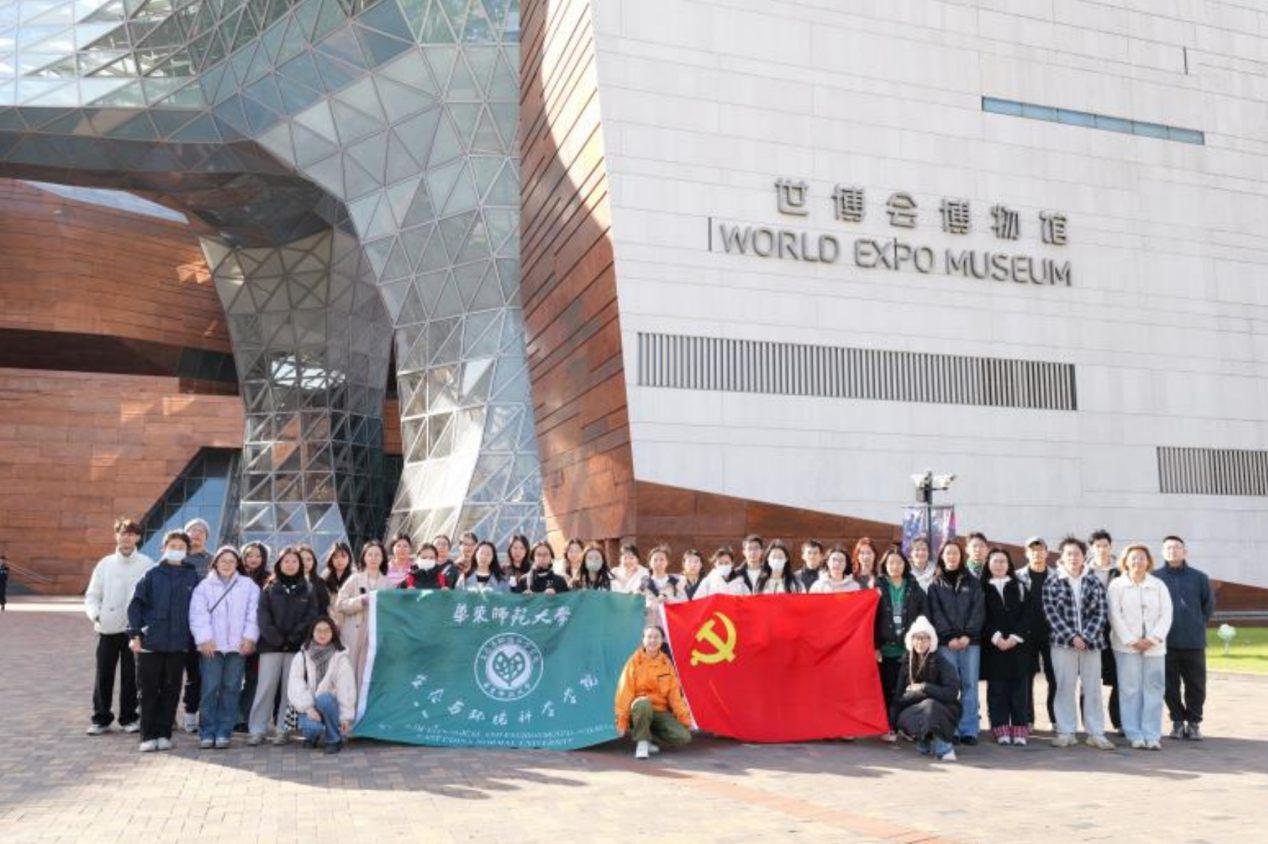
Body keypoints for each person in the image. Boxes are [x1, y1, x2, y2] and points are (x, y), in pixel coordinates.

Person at [126, 530, 199, 752]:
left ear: (187, 551)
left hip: (179, 644)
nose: (176, 550)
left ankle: (164, 734)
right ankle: (147, 736)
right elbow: (135, 605)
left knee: (171, 690)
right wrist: (135, 634)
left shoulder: (192, 576)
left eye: (181, 547)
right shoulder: (152, 574)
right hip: (151, 642)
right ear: (163, 549)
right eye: (172, 546)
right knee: (148, 690)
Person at [84, 518, 156, 736]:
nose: (126, 538)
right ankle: (101, 719)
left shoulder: (147, 564)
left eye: (131, 534)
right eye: (123, 533)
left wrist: (145, 624)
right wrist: (96, 615)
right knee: (103, 675)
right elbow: (92, 595)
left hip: (135, 631)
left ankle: (129, 718)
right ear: (116, 536)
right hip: (107, 629)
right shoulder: (105, 564)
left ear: (138, 537)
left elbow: (153, 598)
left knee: (131, 676)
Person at [1043, 536, 1114, 750]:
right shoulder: (1052, 581)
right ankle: (1066, 732)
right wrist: (1072, 637)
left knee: (1092, 689)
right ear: (1062, 557)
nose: (1073, 557)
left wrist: (1086, 637)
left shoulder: (1093, 581)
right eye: (1069, 554)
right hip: (1062, 643)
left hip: (1092, 644)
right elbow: (1051, 613)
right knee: (1064, 687)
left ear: (1084, 556)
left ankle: (1095, 732)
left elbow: (1101, 611)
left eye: (1077, 553)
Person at [189, 546, 260, 750]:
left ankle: (224, 731)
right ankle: (207, 731)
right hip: (212, 647)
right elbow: (197, 614)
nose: (227, 564)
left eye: (231, 561)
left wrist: (249, 638)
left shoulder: (248, 585)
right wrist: (204, 639)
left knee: (231, 688)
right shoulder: (204, 586)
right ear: (215, 563)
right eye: (223, 560)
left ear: (237, 564)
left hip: (238, 647)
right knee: (210, 688)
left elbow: (254, 613)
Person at [248, 546, 320, 746]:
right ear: (279, 564)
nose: (290, 565)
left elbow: (311, 616)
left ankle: (283, 729)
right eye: (286, 561)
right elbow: (263, 618)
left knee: (291, 690)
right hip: (271, 646)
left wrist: (293, 639)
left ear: (300, 565)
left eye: (294, 561)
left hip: (296, 647)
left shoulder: (308, 589)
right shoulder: (270, 588)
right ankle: (257, 729)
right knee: (265, 688)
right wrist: (279, 640)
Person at [1108, 543, 1173, 750]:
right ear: (1126, 561)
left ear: (1148, 561)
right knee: (1130, 689)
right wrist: (1132, 640)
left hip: (1155, 648)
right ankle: (1134, 733)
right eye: (1133, 558)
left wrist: (1153, 639)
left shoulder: (1158, 585)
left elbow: (1167, 614)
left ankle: (1152, 734)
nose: (1137, 561)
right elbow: (1114, 615)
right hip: (1126, 647)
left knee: (1154, 688)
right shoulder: (1116, 585)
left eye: (1142, 558)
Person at [1156, 535, 1215, 741]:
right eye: (1168, 548)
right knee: (1169, 686)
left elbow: (1208, 605)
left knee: (1196, 685)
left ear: (1184, 551)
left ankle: (1194, 722)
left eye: (1177, 547)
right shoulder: (1155, 577)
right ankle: (1177, 722)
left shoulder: (1199, 577)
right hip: (1165, 643)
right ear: (1163, 552)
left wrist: (1197, 624)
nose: (1173, 551)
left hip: (1193, 642)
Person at [926, 538, 984, 744]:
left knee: (970, 686)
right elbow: (935, 613)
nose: (952, 556)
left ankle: (969, 730)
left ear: (961, 556)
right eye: (948, 553)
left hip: (971, 643)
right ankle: (952, 728)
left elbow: (978, 610)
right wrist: (949, 636)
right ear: (942, 556)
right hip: (946, 644)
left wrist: (968, 634)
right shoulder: (935, 584)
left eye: (956, 553)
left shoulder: (973, 582)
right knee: (950, 687)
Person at [614, 625, 693, 759]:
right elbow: (624, 692)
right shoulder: (634, 662)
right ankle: (642, 742)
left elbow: (675, 695)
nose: (653, 640)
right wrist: (621, 721)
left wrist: (685, 720)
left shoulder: (666, 664)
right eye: (649, 637)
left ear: (662, 640)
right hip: (639, 710)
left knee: (683, 737)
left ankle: (648, 738)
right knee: (643, 703)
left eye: (657, 637)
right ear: (643, 640)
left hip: (659, 711)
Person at [980, 547, 1033, 746]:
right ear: (988, 564)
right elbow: (981, 615)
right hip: (993, 646)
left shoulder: (1020, 586)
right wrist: (996, 637)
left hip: (1018, 645)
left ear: (1009, 564)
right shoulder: (981, 588)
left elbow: (1028, 614)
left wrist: (1015, 637)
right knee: (997, 690)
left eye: (1003, 561)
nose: (999, 565)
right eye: (995, 561)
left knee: (1019, 689)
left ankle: (1019, 729)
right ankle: (1000, 729)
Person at [891, 615, 961, 762]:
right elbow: (899, 697)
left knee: (930, 706)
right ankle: (924, 739)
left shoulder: (942, 662)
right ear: (911, 640)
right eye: (916, 637)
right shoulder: (906, 663)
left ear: (931, 641)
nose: (920, 642)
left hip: (943, 709)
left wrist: (924, 687)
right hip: (916, 710)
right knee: (919, 709)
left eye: (924, 638)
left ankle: (944, 749)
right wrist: (893, 724)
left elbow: (951, 693)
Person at [875, 545, 927, 741]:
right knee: (888, 689)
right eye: (891, 563)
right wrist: (875, 646)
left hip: (909, 649)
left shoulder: (914, 587)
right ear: (885, 565)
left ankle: (906, 727)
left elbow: (924, 616)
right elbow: (871, 620)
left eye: (898, 562)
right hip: (886, 649)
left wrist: (921, 643)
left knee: (907, 691)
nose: (895, 566)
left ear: (905, 565)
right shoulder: (877, 587)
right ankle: (889, 726)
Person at [288, 616, 357, 755]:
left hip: (329, 706)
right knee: (313, 728)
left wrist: (345, 717)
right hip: (308, 707)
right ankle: (311, 737)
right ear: (312, 633)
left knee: (325, 698)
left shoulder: (340, 658)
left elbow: (346, 688)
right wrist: (308, 708)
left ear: (333, 633)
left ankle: (334, 740)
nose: (322, 634)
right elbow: (296, 684)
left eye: (327, 631)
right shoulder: (301, 656)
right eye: (318, 630)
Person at [335, 540, 391, 691]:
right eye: (370, 554)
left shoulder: (388, 584)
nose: (373, 558)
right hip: (353, 631)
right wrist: (361, 601)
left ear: (383, 558)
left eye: (377, 555)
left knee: (371, 671)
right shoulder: (354, 579)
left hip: (376, 633)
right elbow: (340, 604)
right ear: (364, 557)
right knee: (350, 670)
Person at [1017, 536, 1056, 730]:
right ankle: (1028, 719)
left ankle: (1055, 719)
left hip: (1053, 635)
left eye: (1040, 549)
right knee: (1026, 678)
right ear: (1026, 553)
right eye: (1033, 550)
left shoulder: (1057, 576)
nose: (1037, 553)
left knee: (1054, 678)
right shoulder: (1018, 576)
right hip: (1026, 635)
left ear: (1047, 553)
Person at [180, 517, 214, 735]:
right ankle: (167, 716)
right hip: (178, 625)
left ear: (206, 537)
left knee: (197, 673)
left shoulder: (213, 561)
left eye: (201, 531)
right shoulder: (176, 558)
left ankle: (191, 713)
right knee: (171, 673)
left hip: (203, 627)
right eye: (192, 530)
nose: (196, 534)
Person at [1087, 529, 1120, 734]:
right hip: (1089, 633)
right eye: (1097, 546)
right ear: (1091, 548)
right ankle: (1088, 723)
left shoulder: (1121, 570)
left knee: (1119, 679)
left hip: (1116, 632)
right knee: (1088, 681)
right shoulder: (1083, 570)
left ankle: (1119, 722)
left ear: (1111, 546)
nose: (1102, 549)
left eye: (1105, 545)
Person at [236, 541, 271, 733]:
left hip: (259, 638)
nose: (253, 559)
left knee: (253, 679)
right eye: (249, 555)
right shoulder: (234, 576)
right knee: (232, 679)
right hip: (234, 636)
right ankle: (232, 717)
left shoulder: (269, 579)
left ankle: (245, 717)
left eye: (258, 555)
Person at [730, 540, 802, 595]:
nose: (777, 560)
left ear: (786, 559)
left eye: (780, 557)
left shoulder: (795, 583)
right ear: (768, 559)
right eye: (774, 557)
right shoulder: (760, 582)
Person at [641, 545, 686, 623]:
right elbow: (638, 605)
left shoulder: (676, 582)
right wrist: (654, 601)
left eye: (662, 559)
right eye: (655, 560)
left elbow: (684, 602)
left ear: (667, 562)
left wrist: (669, 600)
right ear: (650, 562)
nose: (659, 562)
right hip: (650, 624)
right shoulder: (644, 583)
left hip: (671, 623)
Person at [320, 541, 355, 618]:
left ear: (349, 557)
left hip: (350, 618)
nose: (339, 560)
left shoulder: (355, 576)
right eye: (335, 557)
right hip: (330, 618)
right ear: (331, 559)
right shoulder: (325, 576)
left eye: (343, 556)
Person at [296, 544, 332, 616]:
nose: (305, 563)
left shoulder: (320, 582)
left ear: (313, 562)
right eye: (301, 559)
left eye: (309, 559)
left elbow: (324, 608)